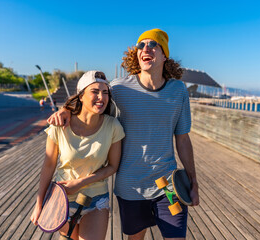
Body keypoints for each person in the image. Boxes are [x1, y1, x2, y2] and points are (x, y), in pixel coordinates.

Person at [48, 29, 199, 239]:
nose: (146, 48)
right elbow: (91, 100)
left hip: (168, 187)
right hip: (131, 189)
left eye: (153, 44)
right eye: (141, 45)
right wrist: (65, 109)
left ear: (164, 55)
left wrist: (193, 181)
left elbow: (183, 139)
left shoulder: (178, 90)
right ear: (137, 54)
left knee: (177, 235)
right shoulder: (119, 88)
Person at [31, 70, 125, 240]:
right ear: (81, 96)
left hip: (95, 199)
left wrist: (80, 182)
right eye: (94, 92)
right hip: (61, 199)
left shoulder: (113, 126)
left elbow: (113, 166)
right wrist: (39, 204)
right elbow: (48, 166)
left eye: (105, 92)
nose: (101, 97)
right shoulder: (60, 125)